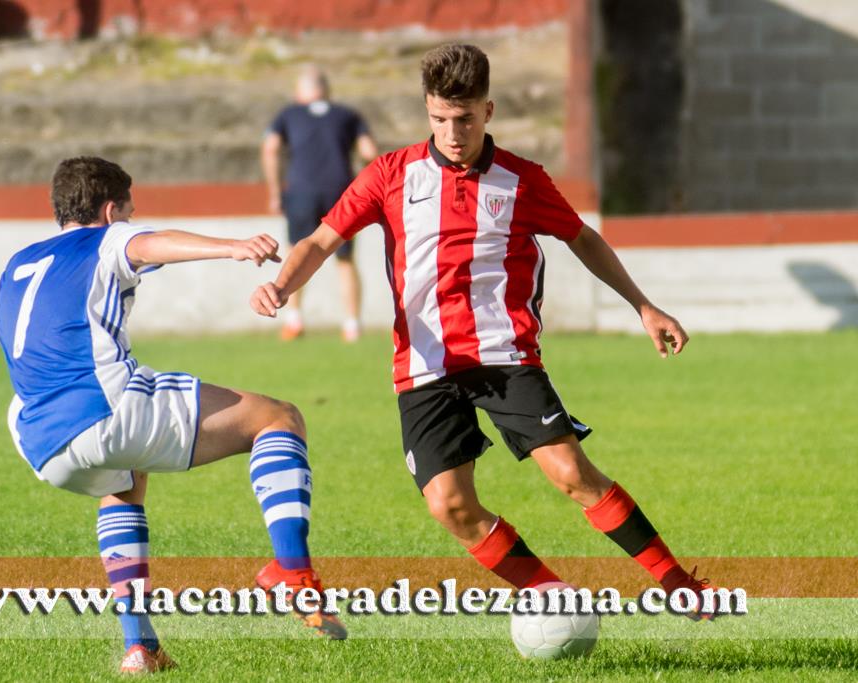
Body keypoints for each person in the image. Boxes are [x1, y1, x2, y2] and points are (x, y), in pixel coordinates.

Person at [252, 45, 718, 616]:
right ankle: (552, 596)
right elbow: (321, 240)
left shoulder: (522, 180)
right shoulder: (389, 175)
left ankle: (677, 584)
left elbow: (583, 239)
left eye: (465, 118)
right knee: (450, 506)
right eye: (440, 118)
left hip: (504, 355)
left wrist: (643, 306)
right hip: (423, 364)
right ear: (427, 111)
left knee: (572, 474)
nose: (452, 132)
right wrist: (282, 284)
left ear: (488, 111)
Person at [0, 156, 347, 675]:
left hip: (43, 444)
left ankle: (141, 648)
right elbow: (147, 245)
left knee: (126, 482)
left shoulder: (18, 267)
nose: (133, 219)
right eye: (129, 210)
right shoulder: (106, 240)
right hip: (109, 406)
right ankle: (295, 573)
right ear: (110, 211)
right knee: (278, 418)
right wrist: (232, 248)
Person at [261, 65, 378, 342]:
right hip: (340, 192)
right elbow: (369, 151)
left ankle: (294, 319)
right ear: (327, 91)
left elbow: (270, 148)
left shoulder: (288, 114)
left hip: (301, 191)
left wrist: (275, 191)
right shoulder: (347, 115)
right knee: (345, 259)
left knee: (297, 254)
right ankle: (352, 325)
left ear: (299, 91)